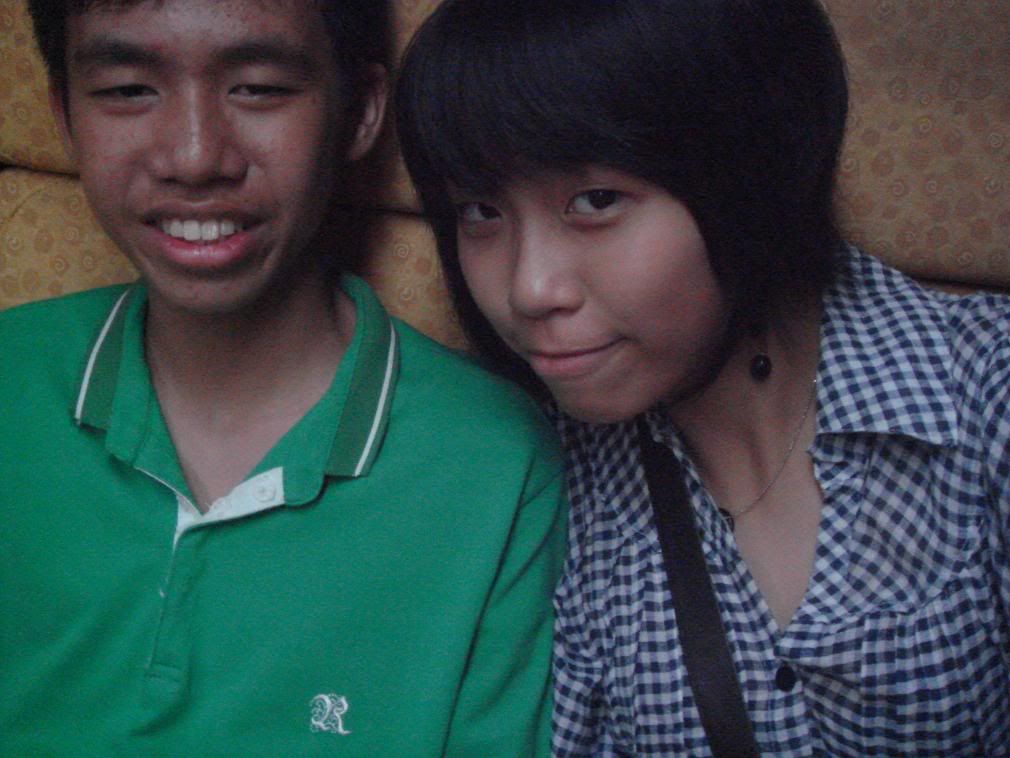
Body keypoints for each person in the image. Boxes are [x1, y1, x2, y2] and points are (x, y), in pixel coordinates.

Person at [395, 0, 1010, 754]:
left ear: (754, 176)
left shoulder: (984, 394)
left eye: (595, 201)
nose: (529, 289)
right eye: (481, 212)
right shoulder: (541, 476)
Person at [0, 1, 565, 754]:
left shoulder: (498, 469)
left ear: (360, 112)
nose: (195, 157)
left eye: (260, 88)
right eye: (129, 90)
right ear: (66, 118)